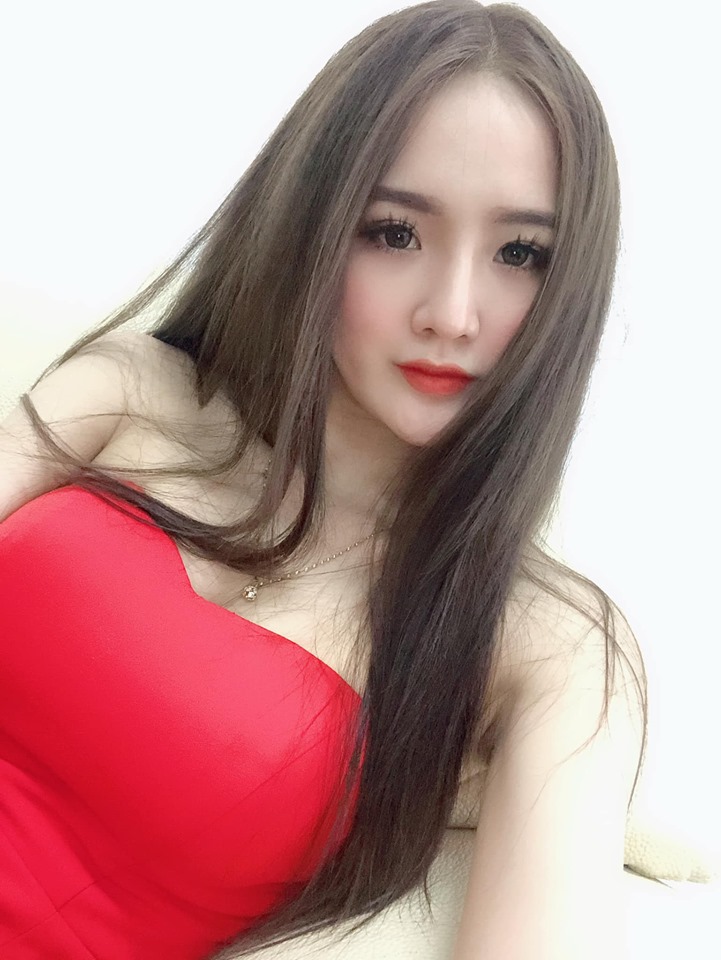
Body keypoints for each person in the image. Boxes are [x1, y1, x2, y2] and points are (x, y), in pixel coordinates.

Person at [0, 1, 647, 958]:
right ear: (313, 222)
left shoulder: (550, 650)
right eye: (394, 232)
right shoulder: (134, 390)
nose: (451, 312)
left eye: (520, 254)